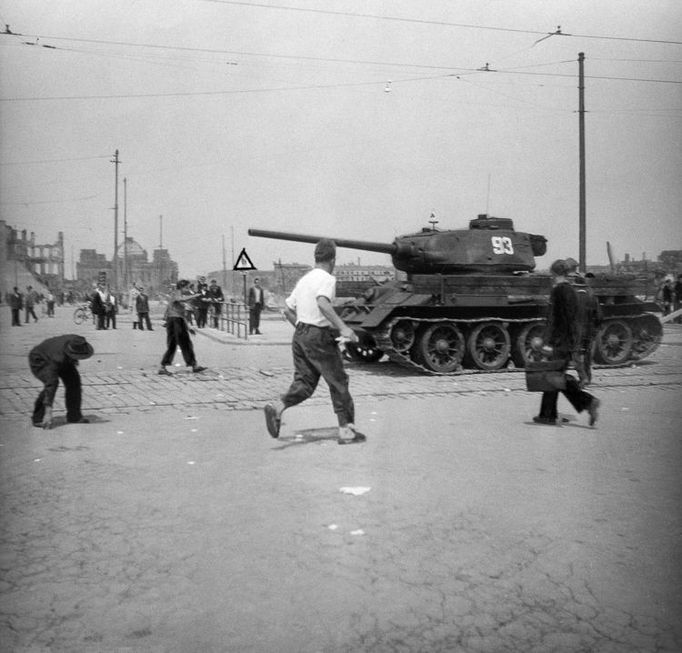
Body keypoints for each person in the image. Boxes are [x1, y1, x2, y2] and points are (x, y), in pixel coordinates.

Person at [263, 239, 364, 445]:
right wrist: (343, 327)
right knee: (338, 381)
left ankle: (278, 407)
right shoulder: (327, 278)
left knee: (305, 383)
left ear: (316, 257)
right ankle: (346, 430)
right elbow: (322, 303)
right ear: (333, 259)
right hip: (318, 335)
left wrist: (303, 329)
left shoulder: (305, 279)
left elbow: (287, 309)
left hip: (300, 334)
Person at [534, 259, 600, 426]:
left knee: (554, 378)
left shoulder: (558, 291)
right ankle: (547, 414)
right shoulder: (571, 290)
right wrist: (574, 343)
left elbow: (553, 320)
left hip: (558, 342)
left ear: (554, 273)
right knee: (555, 377)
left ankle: (587, 402)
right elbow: (572, 320)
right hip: (567, 341)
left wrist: (547, 342)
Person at [28, 334, 94, 429]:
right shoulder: (56, 358)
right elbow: (50, 384)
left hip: (64, 359)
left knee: (74, 382)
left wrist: (73, 359)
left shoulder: (77, 341)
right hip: (40, 360)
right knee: (51, 385)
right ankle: (39, 417)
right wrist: (49, 412)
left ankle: (74, 416)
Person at [158, 279, 207, 375]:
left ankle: (163, 367)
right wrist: (195, 295)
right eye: (187, 287)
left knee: (174, 344)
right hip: (175, 321)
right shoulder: (177, 293)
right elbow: (180, 299)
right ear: (182, 287)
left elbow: (182, 314)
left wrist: (188, 327)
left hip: (176, 321)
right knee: (184, 343)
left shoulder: (179, 295)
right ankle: (193, 365)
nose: (188, 289)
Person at [573, 274, 602, 387]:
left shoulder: (571, 295)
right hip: (589, 328)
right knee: (587, 353)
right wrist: (596, 328)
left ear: (575, 284)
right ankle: (588, 377)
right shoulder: (592, 295)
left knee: (575, 354)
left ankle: (583, 377)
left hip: (575, 328)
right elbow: (599, 315)